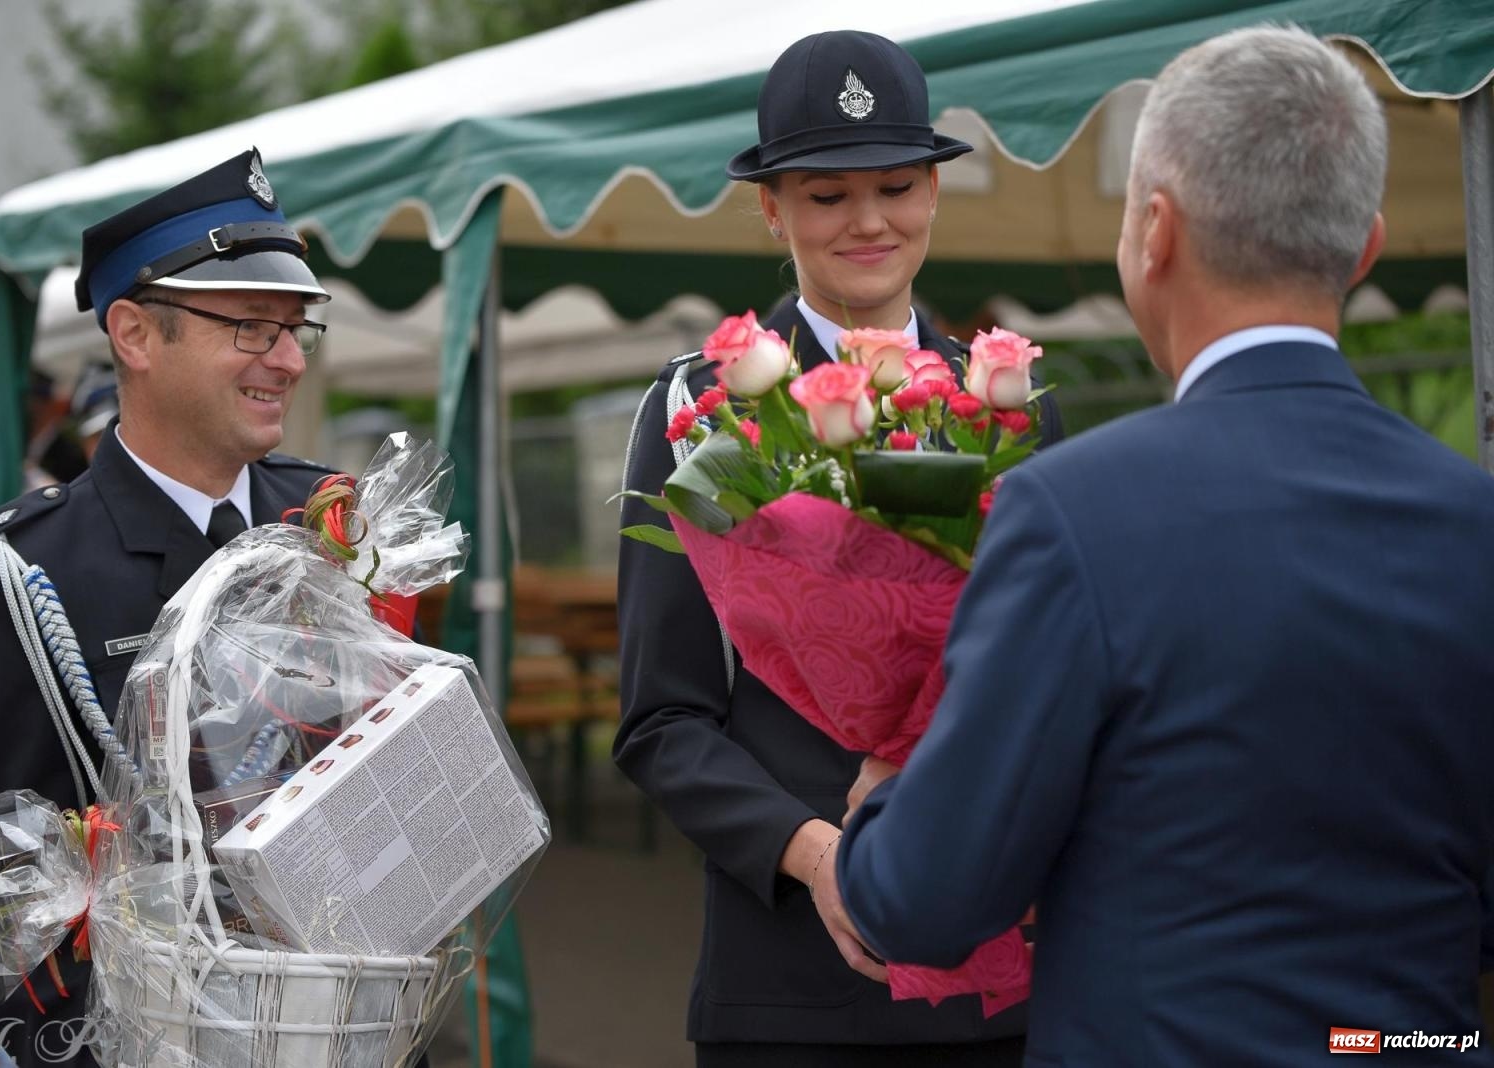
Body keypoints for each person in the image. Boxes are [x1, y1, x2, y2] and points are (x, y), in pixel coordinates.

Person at [833, 25, 1494, 1067]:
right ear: (1363, 249)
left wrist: (877, 808)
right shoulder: (1474, 522)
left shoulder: (1077, 516)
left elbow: (923, 900)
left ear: (1154, 231)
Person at [615, 30, 1060, 1068]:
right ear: (770, 207)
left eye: (898, 186)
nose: (870, 221)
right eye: (826, 197)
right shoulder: (702, 411)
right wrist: (820, 859)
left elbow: (1052, 675)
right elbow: (661, 717)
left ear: (936, 192)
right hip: (791, 980)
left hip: (998, 965)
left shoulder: (1014, 398)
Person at [0, 149, 335, 1068]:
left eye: (295, 330)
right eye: (252, 327)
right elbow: (0, 905)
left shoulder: (326, 521)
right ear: (136, 336)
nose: (286, 360)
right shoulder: (24, 569)